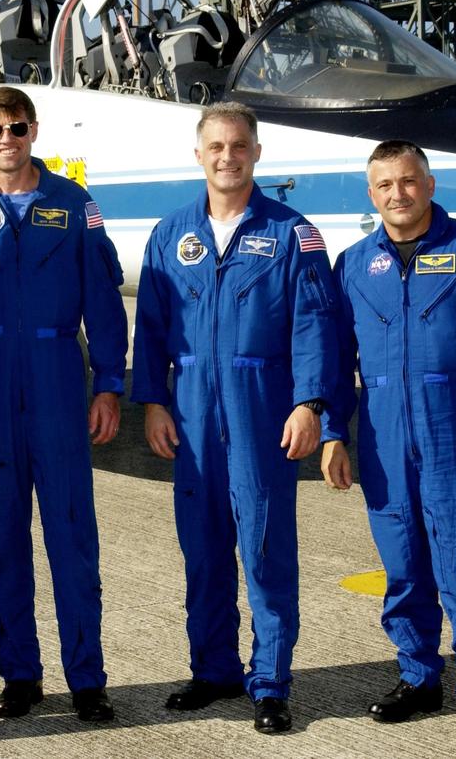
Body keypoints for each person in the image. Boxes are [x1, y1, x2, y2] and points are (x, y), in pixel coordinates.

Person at [321, 140, 456, 756]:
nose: (398, 194)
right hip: (384, 439)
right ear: (371, 194)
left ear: (429, 183)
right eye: (384, 185)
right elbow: (338, 361)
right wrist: (335, 431)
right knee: (404, 569)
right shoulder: (355, 264)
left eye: (408, 181)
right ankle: (418, 680)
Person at [132, 101, 340, 734]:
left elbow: (315, 328)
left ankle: (271, 680)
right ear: (199, 155)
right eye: (216, 147)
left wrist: (310, 403)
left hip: (263, 408)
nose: (228, 156)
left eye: (239, 146)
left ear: (256, 152)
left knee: (266, 544)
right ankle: (213, 669)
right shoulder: (170, 235)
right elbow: (153, 327)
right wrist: (154, 402)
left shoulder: (292, 234)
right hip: (191, 410)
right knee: (203, 548)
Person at [0, 86, 127, 723]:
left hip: (56, 380)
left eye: (16, 127)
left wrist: (108, 383)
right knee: (1, 538)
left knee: (72, 534)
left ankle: (87, 679)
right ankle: (19, 674)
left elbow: (102, 297)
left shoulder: (74, 206)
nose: (6, 139)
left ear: (34, 130)